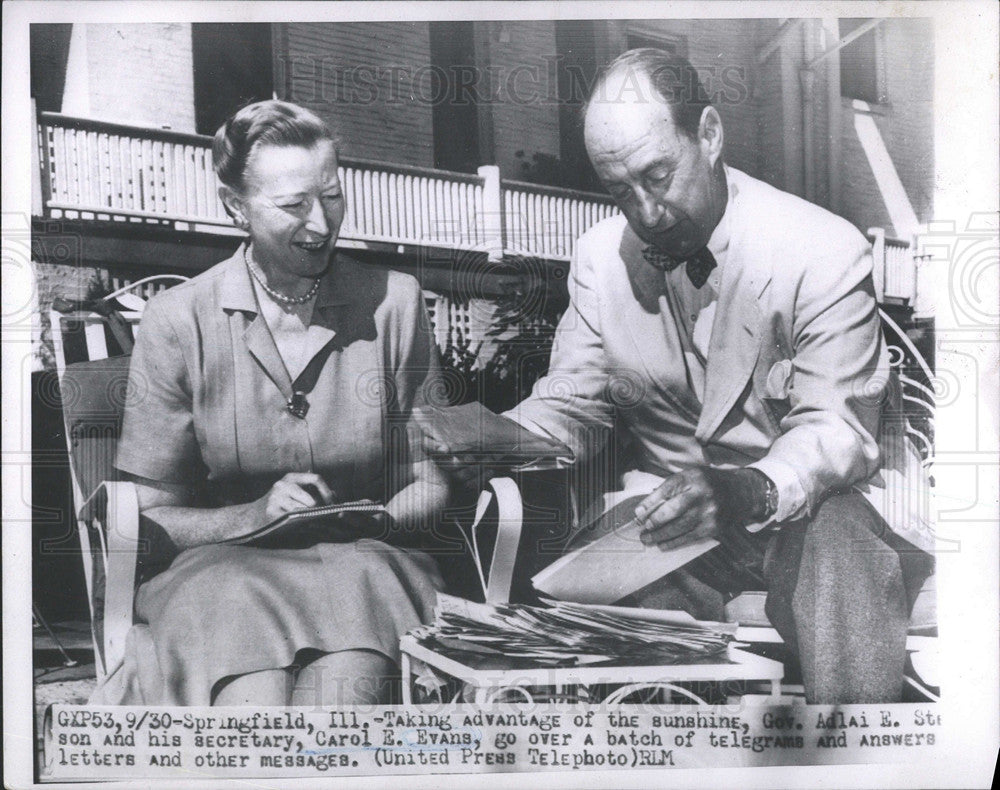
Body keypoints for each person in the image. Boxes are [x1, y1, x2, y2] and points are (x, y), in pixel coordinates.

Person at [428, 49, 933, 704]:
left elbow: (836, 429)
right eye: (620, 191)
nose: (646, 212)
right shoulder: (598, 259)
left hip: (822, 508)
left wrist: (748, 487)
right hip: (681, 524)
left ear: (711, 135)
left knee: (839, 553)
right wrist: (496, 434)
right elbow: (574, 404)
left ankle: (854, 761)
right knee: (611, 580)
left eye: (658, 175)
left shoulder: (820, 248)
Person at [91, 100, 450, 706]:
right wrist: (253, 516)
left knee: (346, 705)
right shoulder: (179, 321)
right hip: (221, 571)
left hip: (363, 569)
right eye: (292, 206)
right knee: (250, 704)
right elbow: (149, 516)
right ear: (236, 207)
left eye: (331, 195)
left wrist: (378, 519)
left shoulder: (395, 302)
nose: (320, 224)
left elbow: (430, 481)